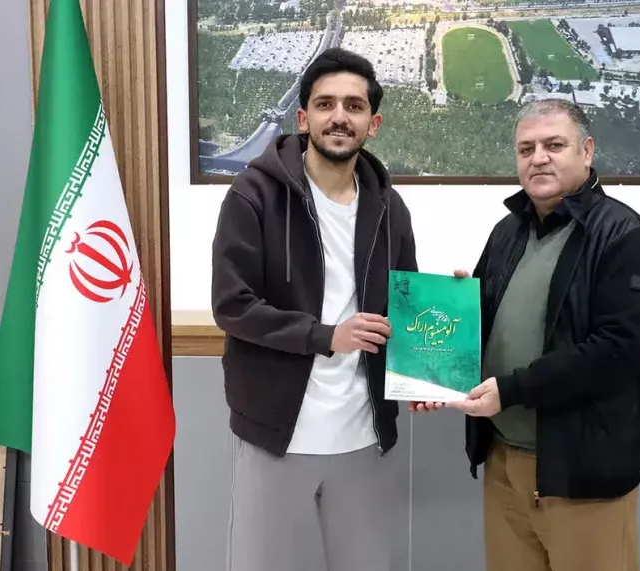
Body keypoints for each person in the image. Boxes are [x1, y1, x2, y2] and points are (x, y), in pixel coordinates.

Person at [412, 98, 640, 571]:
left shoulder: (623, 235)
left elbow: (617, 351)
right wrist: (436, 371)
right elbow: (487, 326)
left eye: (554, 145)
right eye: (526, 148)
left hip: (581, 473)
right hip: (504, 463)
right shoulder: (507, 231)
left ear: (586, 151)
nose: (538, 158)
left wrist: (511, 391)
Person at [211, 47, 418, 571]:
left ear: (373, 123)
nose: (339, 116)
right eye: (325, 104)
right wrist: (326, 336)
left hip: (364, 436)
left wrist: (432, 357)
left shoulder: (389, 207)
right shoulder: (253, 195)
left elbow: (405, 303)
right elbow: (232, 305)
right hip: (278, 434)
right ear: (303, 118)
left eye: (354, 105)